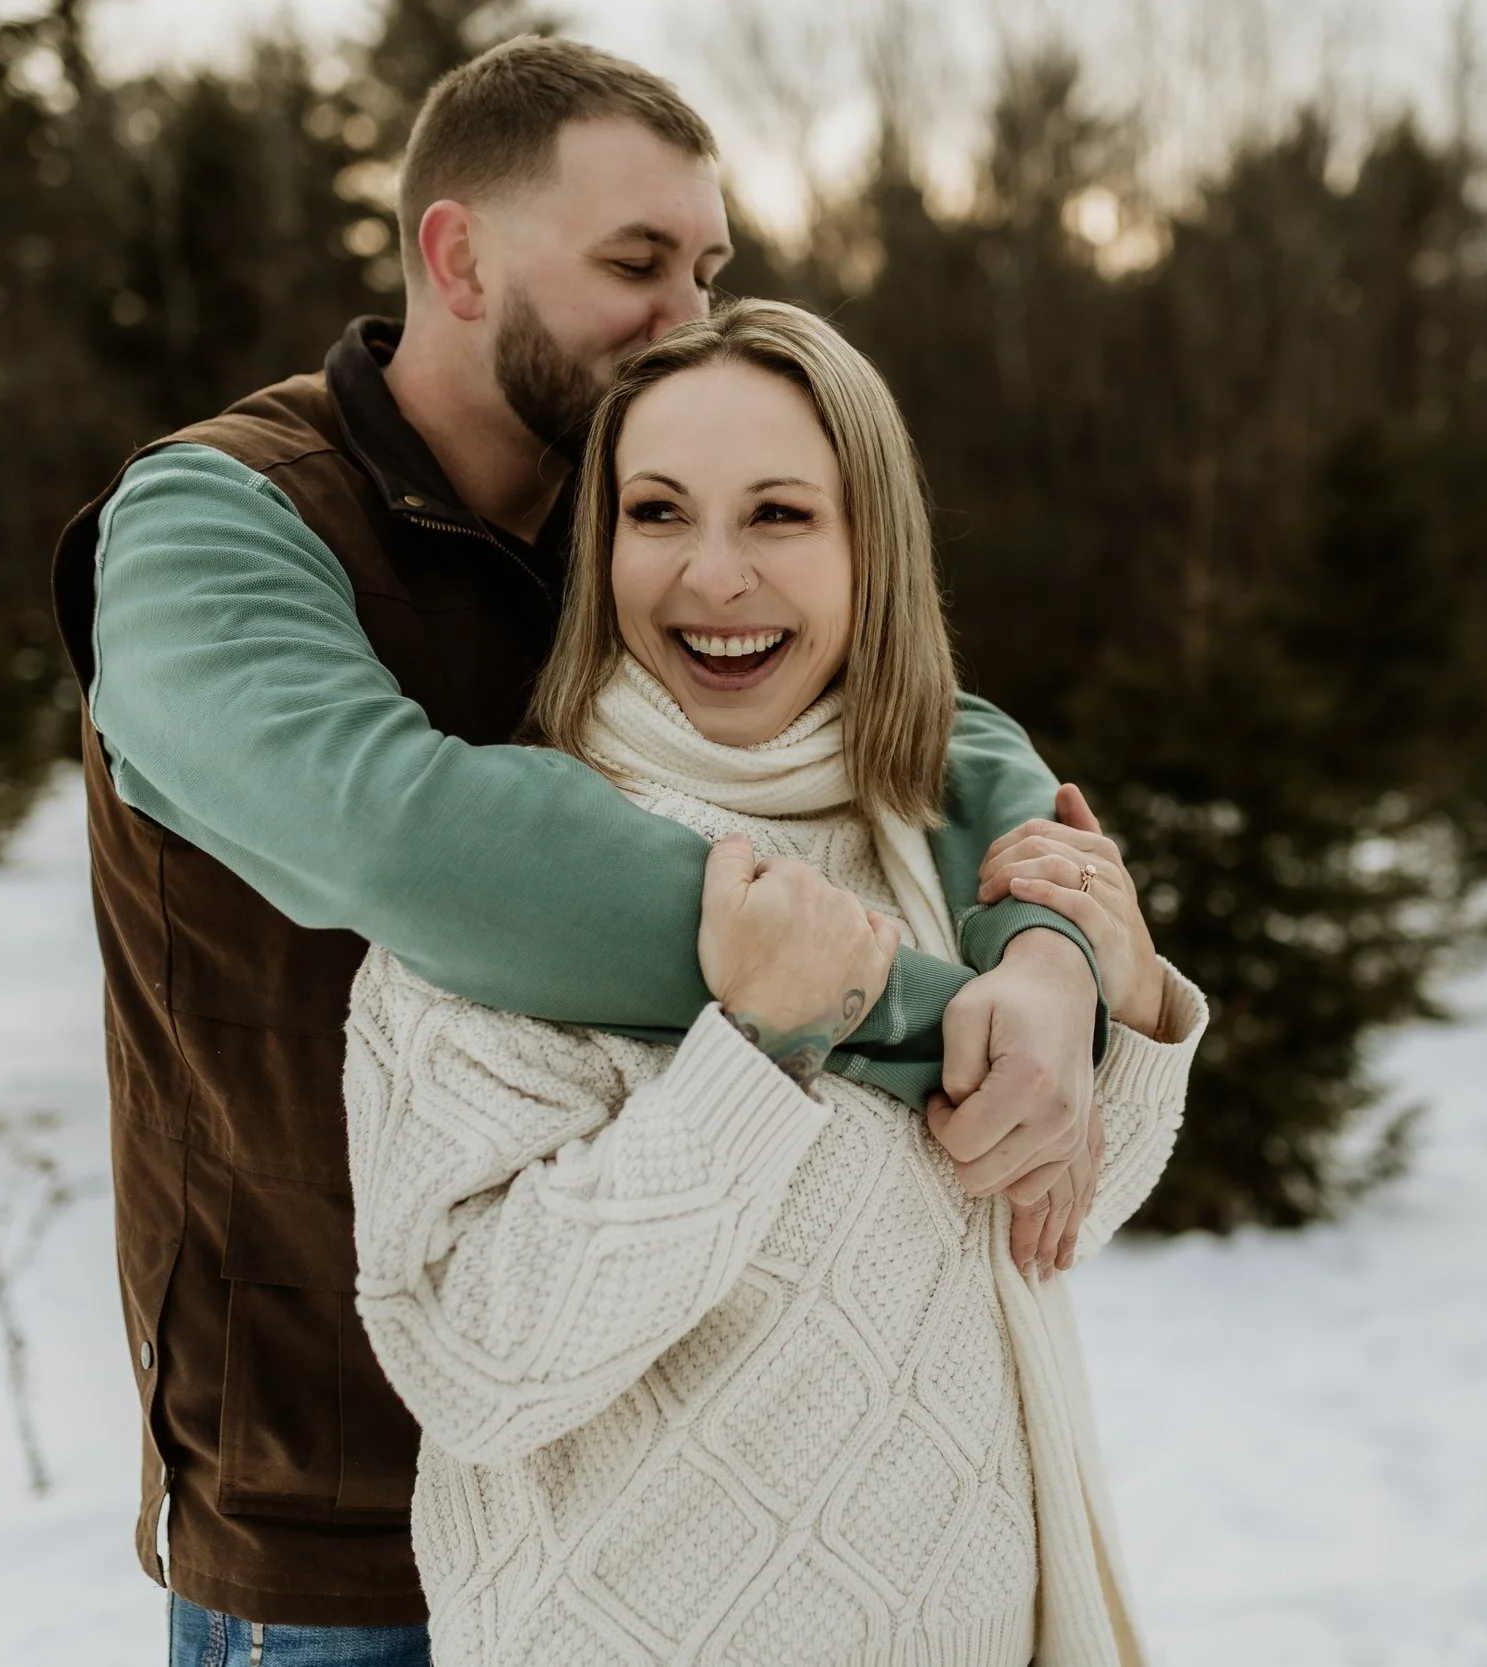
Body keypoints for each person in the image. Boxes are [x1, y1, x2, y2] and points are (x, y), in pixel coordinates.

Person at [46, 38, 1114, 1667]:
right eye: (635, 264)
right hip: (333, 1509)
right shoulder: (217, 525)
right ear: (456, 254)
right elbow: (414, 845)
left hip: (644, 1508)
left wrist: (1052, 953)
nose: (686, 319)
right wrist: (905, 1005)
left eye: (708, 268)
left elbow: (925, 712)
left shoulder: (632, 523)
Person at [347, 296, 1204, 1667]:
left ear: (874, 544)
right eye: (660, 512)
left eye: (781, 516)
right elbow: (477, 1366)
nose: (714, 576)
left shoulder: (923, 830)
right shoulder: (520, 870)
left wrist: (1134, 1003)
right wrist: (752, 1051)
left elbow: (1036, 1228)